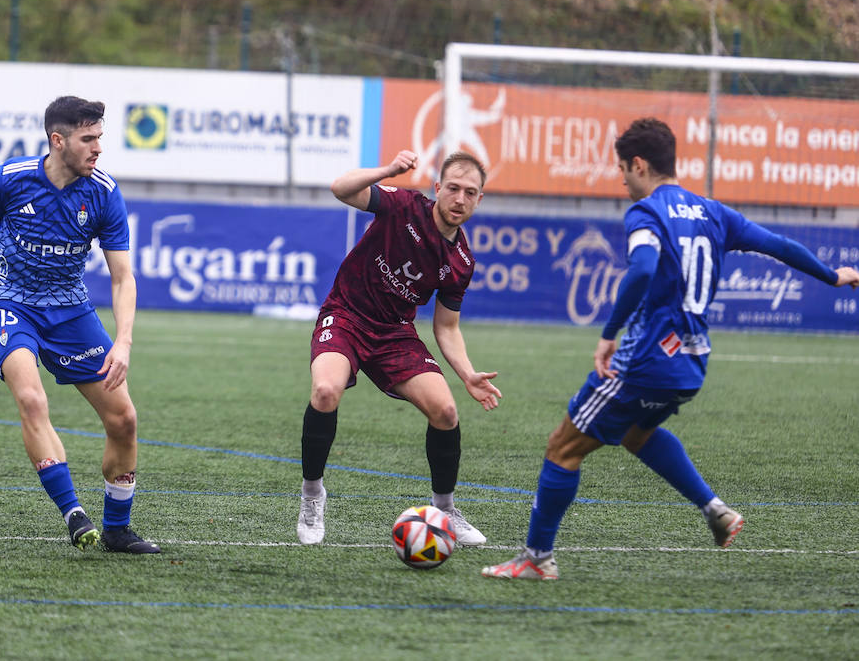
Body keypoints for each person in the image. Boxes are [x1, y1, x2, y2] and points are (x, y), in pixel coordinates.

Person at [482, 117, 859, 581]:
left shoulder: (647, 212)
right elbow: (778, 245)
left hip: (643, 361)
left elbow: (641, 269)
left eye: (623, 168)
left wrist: (609, 332)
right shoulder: (716, 213)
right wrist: (831, 275)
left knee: (562, 447)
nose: (621, 178)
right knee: (637, 435)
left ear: (639, 164)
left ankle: (536, 559)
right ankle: (714, 508)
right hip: (690, 364)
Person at [0, 95, 157, 554]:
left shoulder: (104, 192)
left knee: (124, 419)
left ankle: (117, 528)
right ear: (58, 141)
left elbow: (122, 276)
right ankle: (74, 512)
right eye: (88, 139)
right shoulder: (9, 179)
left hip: (70, 309)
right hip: (9, 301)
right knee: (32, 400)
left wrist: (124, 341)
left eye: (100, 137)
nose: (98, 148)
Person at [298, 149, 502, 547]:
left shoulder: (462, 261)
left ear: (480, 200)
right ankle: (312, 497)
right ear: (438, 188)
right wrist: (390, 170)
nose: (460, 199)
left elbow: (447, 327)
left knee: (445, 411)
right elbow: (340, 188)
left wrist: (468, 374)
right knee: (325, 391)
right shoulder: (403, 205)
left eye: (470, 193)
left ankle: (444, 509)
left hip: (394, 333)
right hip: (347, 316)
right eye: (454, 188)